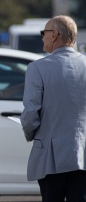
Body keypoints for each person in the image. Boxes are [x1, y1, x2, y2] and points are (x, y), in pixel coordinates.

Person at [20, 15, 86, 202]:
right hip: (83, 155)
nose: (42, 37)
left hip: (50, 157)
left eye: (44, 32)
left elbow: (31, 114)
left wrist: (29, 131)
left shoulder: (37, 68)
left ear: (55, 34)